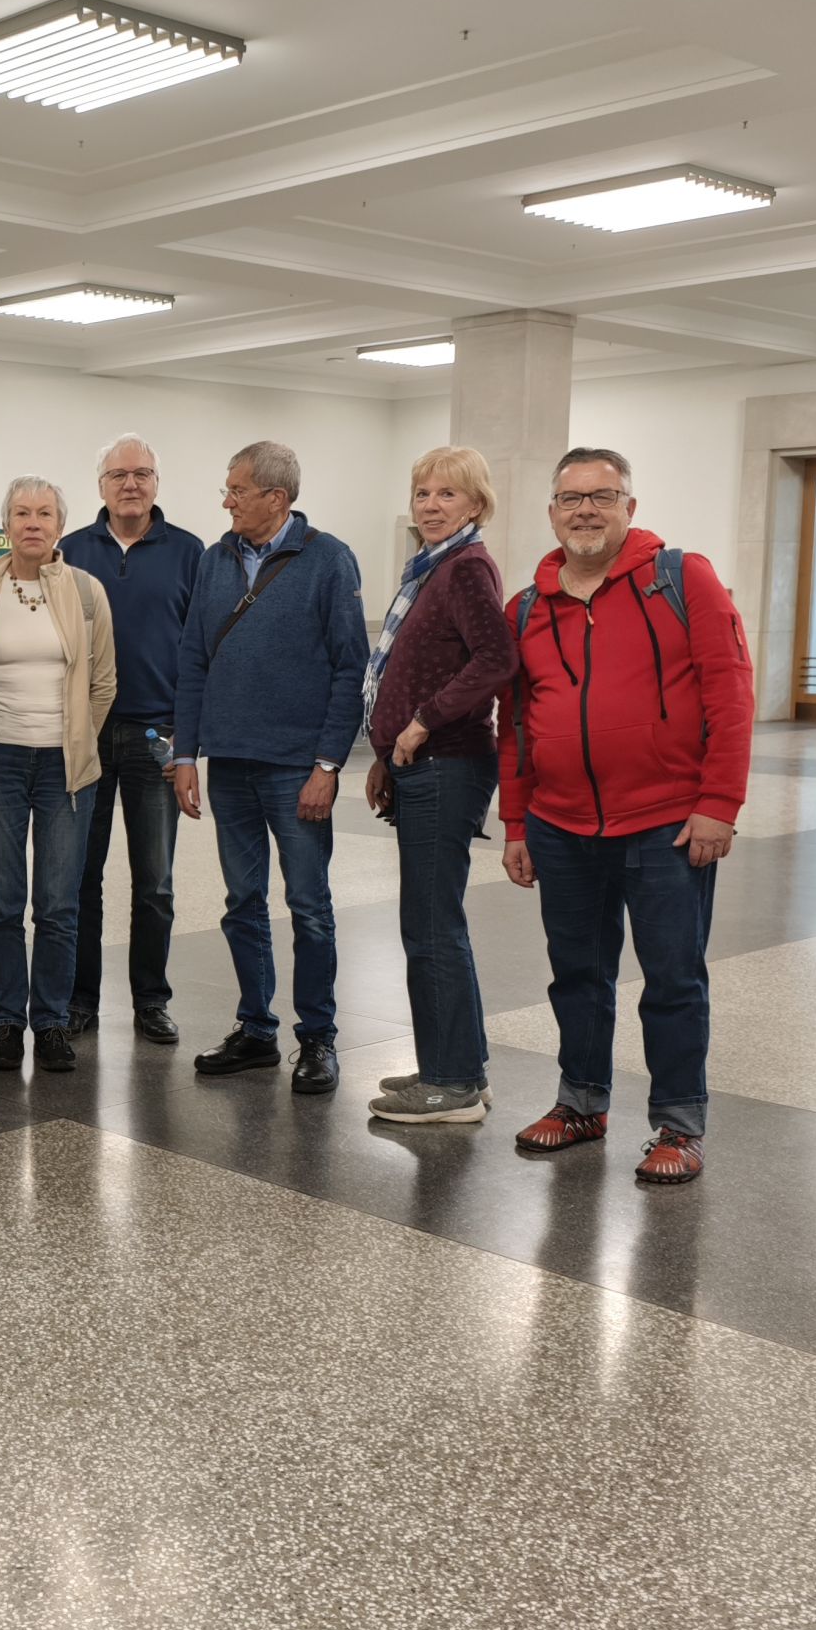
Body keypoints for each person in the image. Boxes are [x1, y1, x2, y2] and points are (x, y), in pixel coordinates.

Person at [500, 446, 753, 1184]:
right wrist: (516, 823)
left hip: (665, 822)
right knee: (576, 975)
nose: (586, 510)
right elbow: (515, 725)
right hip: (561, 823)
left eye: (602, 496)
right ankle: (581, 1102)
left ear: (629, 508)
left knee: (673, 980)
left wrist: (719, 804)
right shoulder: (527, 607)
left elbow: (731, 693)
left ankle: (679, 1123)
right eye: (571, 498)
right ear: (552, 512)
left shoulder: (682, 579)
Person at [172, 440, 368, 1095]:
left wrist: (327, 765)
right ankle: (256, 1028)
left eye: (237, 490)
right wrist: (186, 754)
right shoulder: (215, 559)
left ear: (276, 498)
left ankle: (318, 1038)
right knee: (242, 902)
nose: (226, 501)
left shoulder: (329, 559)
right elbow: (194, 659)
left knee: (309, 906)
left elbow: (349, 667)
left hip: (296, 769)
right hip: (230, 764)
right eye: (228, 489)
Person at [360, 447, 519, 1124]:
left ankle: (451, 1085)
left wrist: (422, 721)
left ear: (476, 504)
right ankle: (457, 1065)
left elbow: (496, 658)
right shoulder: (432, 567)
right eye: (422, 492)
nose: (430, 504)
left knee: (430, 926)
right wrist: (385, 753)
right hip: (420, 764)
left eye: (447, 494)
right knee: (432, 921)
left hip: (446, 764)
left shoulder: (465, 567)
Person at [0, 476, 117, 1073]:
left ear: (59, 525)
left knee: (57, 905)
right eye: (21, 513)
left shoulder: (87, 592)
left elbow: (104, 682)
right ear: (6, 525)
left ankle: (50, 1022)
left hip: (65, 768)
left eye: (44, 513)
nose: (32, 523)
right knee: (1, 903)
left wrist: (75, 740)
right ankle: (6, 1023)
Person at [57, 433, 203, 1044]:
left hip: (157, 735)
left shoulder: (190, 552)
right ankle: (79, 999)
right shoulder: (69, 550)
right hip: (85, 734)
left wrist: (189, 741)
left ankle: (151, 1000)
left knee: (156, 882)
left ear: (156, 483)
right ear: (101, 485)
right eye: (119, 475)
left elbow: (200, 650)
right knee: (78, 878)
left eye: (142, 474)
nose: (131, 484)